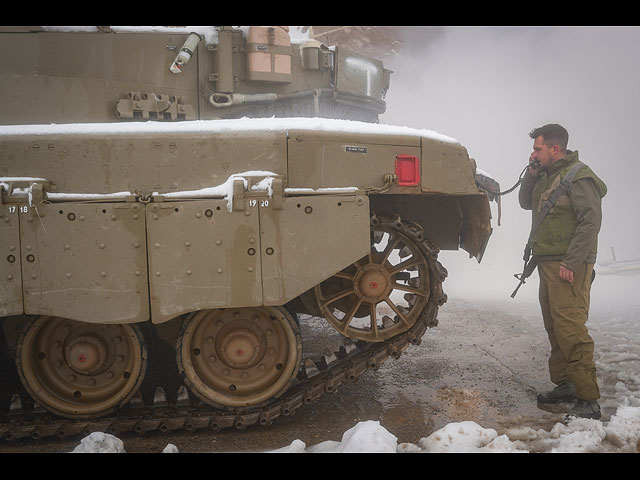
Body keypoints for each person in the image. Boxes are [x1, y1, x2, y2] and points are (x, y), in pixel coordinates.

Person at [518, 123, 607, 420]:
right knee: (554, 327)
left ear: (555, 148)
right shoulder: (545, 176)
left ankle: (589, 399)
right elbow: (523, 202)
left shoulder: (579, 176)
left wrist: (571, 262)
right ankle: (566, 384)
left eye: (537, 149)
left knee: (571, 329)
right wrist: (531, 173)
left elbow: (590, 222)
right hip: (548, 262)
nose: (533, 153)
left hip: (569, 265)